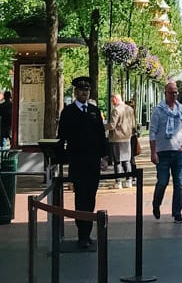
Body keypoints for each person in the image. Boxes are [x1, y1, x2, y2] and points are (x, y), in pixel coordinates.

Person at [57, 76, 106, 248]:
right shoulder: (68, 112)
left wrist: (104, 157)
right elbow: (62, 137)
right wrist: (62, 158)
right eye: (81, 90)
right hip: (77, 161)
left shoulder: (94, 111)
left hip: (93, 162)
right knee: (80, 198)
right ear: (76, 92)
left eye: (86, 90)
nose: (84, 93)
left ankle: (88, 232)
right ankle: (82, 234)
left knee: (91, 197)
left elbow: (101, 135)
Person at [148, 77, 182, 222]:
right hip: (163, 152)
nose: (174, 95)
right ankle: (156, 204)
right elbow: (152, 132)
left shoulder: (181, 109)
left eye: (176, 92)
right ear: (165, 93)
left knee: (179, 182)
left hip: (178, 152)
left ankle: (177, 213)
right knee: (163, 181)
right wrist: (153, 152)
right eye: (171, 93)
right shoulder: (158, 110)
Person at [107, 92, 136, 188]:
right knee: (127, 160)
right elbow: (133, 124)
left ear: (115, 99)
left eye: (112, 100)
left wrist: (101, 126)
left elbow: (112, 126)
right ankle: (129, 180)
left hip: (117, 138)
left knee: (117, 161)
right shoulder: (130, 109)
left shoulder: (116, 110)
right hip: (127, 138)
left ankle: (118, 181)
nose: (112, 102)